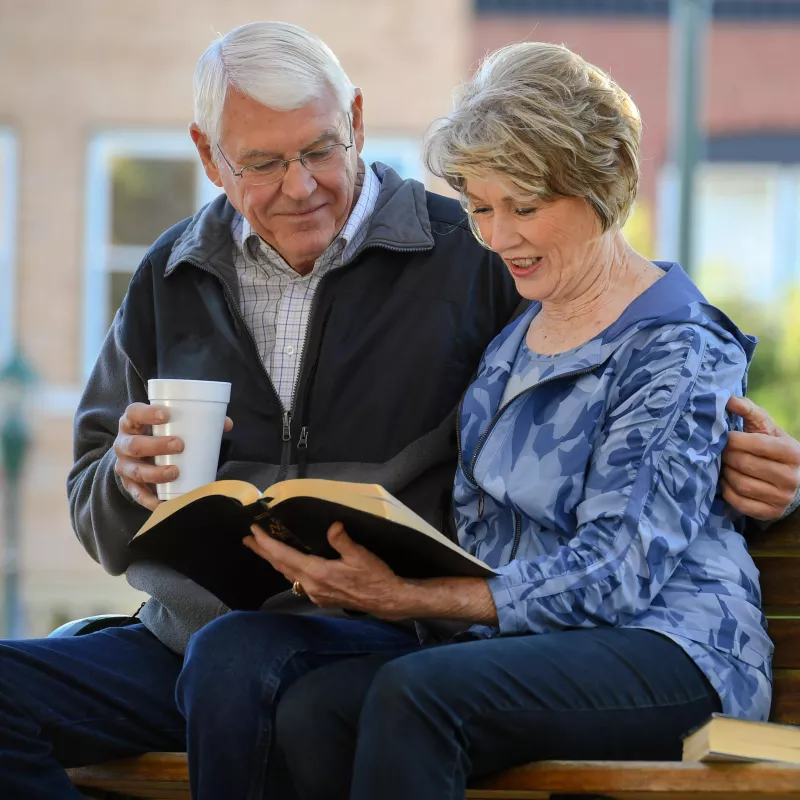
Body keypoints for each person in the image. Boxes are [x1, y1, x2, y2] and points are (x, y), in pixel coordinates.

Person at [230, 41, 777, 799]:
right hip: (529, 650)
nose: (498, 237)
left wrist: (411, 598)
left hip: (672, 653)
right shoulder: (516, 339)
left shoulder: (677, 345)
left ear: (602, 186)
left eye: (525, 207)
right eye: (481, 208)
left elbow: (618, 571)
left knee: (416, 696)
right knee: (315, 709)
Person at [0, 22, 521, 800]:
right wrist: (124, 479)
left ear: (358, 121)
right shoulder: (169, 275)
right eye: (265, 163)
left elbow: (610, 370)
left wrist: (756, 460)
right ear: (209, 156)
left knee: (241, 659)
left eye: (319, 150)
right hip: (186, 644)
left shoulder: (469, 257)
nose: (302, 185)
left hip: (385, 639)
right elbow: (93, 512)